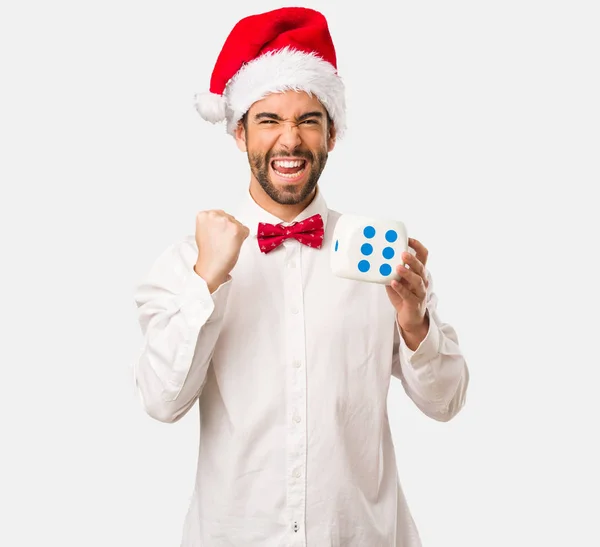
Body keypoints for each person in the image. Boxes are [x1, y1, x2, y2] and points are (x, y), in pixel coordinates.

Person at [133, 6, 469, 546]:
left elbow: (447, 402)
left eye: (307, 120)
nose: (289, 140)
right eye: (269, 120)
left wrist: (414, 325)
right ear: (239, 134)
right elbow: (160, 401)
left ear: (331, 135)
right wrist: (207, 280)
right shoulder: (186, 261)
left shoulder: (380, 260)